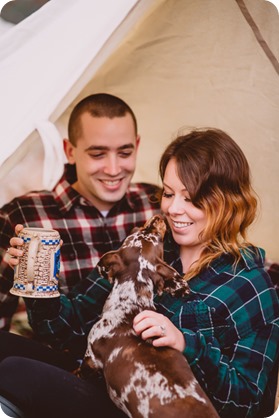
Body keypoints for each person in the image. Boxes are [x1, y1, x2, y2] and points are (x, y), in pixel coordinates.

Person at [0, 128, 278, 418]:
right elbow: (73, 331)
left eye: (191, 198)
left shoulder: (251, 287)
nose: (173, 208)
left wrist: (185, 343)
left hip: (155, 410)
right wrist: (37, 280)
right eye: (169, 193)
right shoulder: (148, 249)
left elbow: (247, 404)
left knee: (17, 373)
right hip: (103, 377)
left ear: (228, 202)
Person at [0, 93, 161, 333]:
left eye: (125, 153)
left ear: (137, 146)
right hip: (57, 364)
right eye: (97, 154)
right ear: (70, 151)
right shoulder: (23, 216)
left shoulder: (157, 204)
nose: (114, 169)